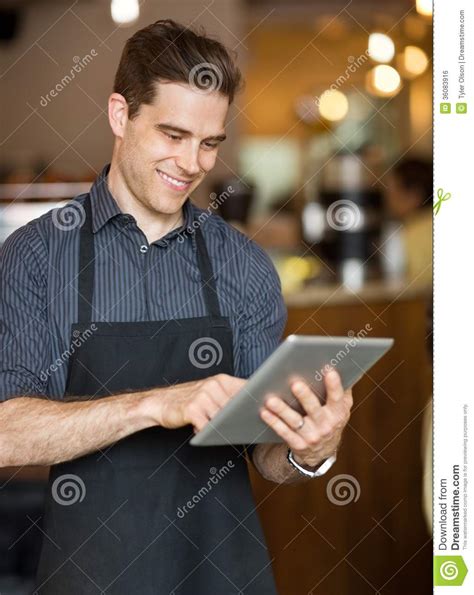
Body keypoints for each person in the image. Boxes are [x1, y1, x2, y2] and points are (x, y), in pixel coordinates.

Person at [0, 20, 353, 594]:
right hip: (91, 576)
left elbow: (263, 452)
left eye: (209, 142)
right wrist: (155, 405)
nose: (192, 163)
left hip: (223, 574)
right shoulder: (36, 256)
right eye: (172, 134)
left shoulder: (244, 265)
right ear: (121, 115)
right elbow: (6, 434)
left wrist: (310, 451)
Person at [384, 157, 433, 286]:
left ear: (414, 196)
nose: (388, 198)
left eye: (392, 190)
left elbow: (415, 288)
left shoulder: (414, 233)